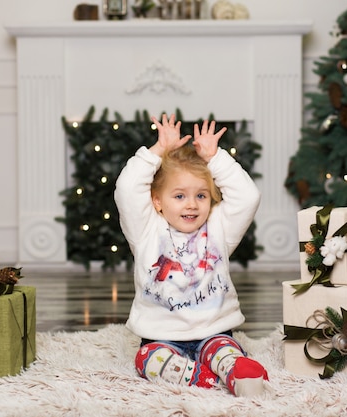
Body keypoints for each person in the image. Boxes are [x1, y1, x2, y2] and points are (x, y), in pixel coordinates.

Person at [114, 113, 268, 397]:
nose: (192, 205)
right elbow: (126, 188)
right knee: (148, 360)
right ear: (157, 201)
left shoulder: (219, 227)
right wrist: (158, 151)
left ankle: (236, 372)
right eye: (179, 196)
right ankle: (200, 378)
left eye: (201, 195)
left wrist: (215, 157)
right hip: (161, 337)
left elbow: (248, 197)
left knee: (225, 354)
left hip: (215, 332)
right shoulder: (146, 229)